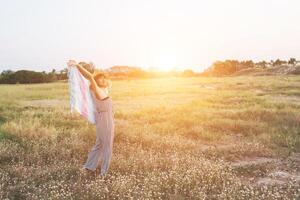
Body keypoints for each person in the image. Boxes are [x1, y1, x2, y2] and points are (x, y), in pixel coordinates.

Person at [67, 60, 115, 176]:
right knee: (107, 146)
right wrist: (78, 66)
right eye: (100, 78)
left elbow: (107, 84)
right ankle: (104, 172)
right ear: (96, 82)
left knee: (99, 144)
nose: (103, 80)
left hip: (103, 118)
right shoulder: (97, 90)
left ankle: (89, 166)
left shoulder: (102, 90)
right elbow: (89, 77)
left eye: (104, 78)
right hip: (105, 119)